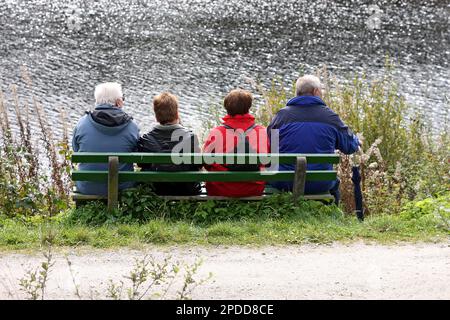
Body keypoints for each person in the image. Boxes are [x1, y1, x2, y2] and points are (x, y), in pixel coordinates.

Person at [267, 75, 360, 204]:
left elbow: (269, 145)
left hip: (285, 182)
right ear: (316, 92)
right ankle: (331, 214)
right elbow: (351, 147)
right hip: (320, 183)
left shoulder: (281, 116)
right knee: (334, 183)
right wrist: (356, 140)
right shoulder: (331, 117)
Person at [72, 82, 139, 195]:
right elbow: (136, 153)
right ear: (118, 102)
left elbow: (76, 149)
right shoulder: (132, 126)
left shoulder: (82, 124)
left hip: (88, 187)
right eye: (123, 98)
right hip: (121, 187)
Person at [203, 89, 269, 197]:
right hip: (253, 189)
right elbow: (268, 161)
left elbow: (206, 162)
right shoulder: (262, 132)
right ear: (248, 107)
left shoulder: (217, 132)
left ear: (227, 109)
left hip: (220, 188)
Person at [137, 92, 202, 195]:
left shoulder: (146, 139)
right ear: (177, 113)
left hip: (156, 190)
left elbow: (141, 164)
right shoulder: (191, 137)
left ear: (156, 116)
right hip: (186, 189)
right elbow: (198, 164)